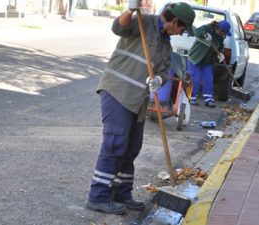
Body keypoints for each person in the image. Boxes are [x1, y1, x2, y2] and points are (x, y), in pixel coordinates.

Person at [86, 1, 195, 215]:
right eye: (183, 28)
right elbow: (118, 27)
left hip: (138, 99)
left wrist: (160, 81)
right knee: (115, 143)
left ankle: (121, 194)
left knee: (132, 146)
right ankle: (98, 196)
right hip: (118, 91)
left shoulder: (167, 46)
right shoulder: (144, 22)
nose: (182, 32)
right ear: (174, 21)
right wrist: (129, 10)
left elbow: (163, 71)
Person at [187, 20, 232, 108]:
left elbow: (221, 46)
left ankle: (209, 99)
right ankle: (192, 97)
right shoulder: (207, 28)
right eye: (223, 33)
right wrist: (204, 34)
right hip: (196, 58)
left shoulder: (220, 37)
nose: (223, 35)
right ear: (219, 29)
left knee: (208, 79)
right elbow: (196, 32)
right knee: (195, 79)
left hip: (208, 61)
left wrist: (221, 53)